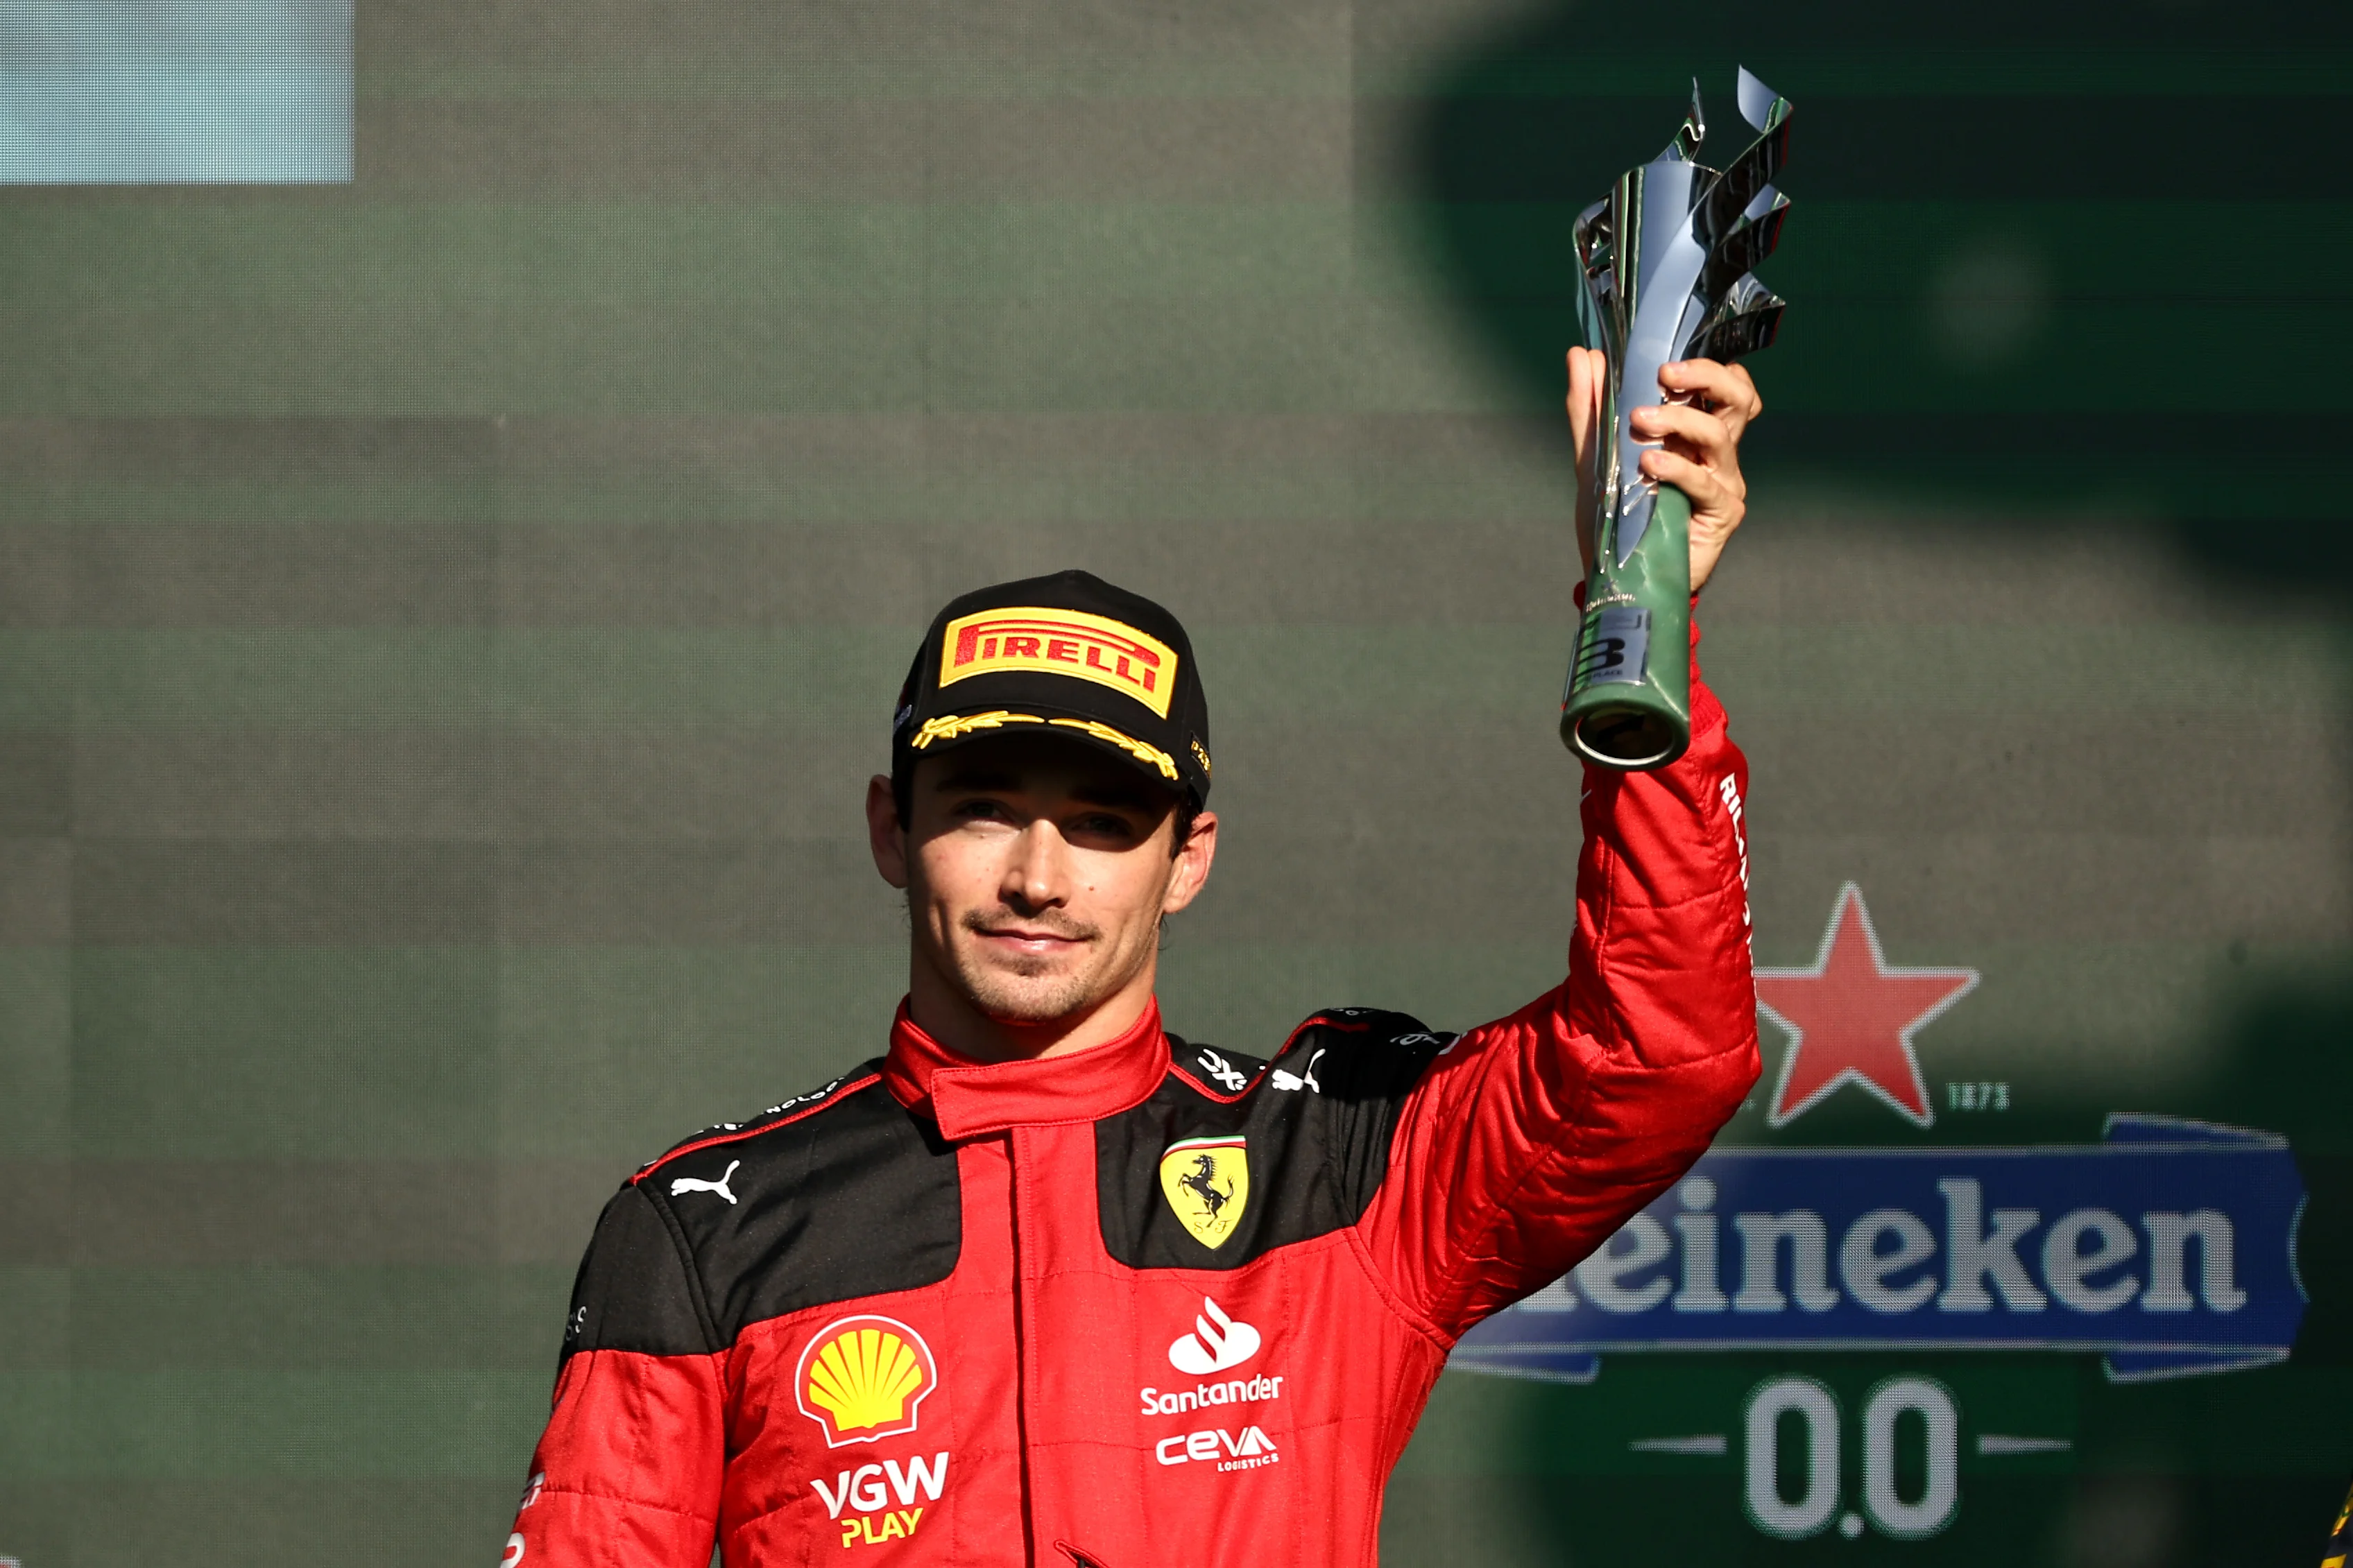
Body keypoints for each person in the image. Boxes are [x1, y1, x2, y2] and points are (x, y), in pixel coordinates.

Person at [502, 351, 1765, 1567]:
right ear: (894, 830)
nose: (1040, 878)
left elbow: (1655, 1056)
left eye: (1104, 824)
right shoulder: (704, 1231)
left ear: (1190, 859)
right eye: (985, 807)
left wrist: (1642, 619)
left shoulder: (1338, 1166)